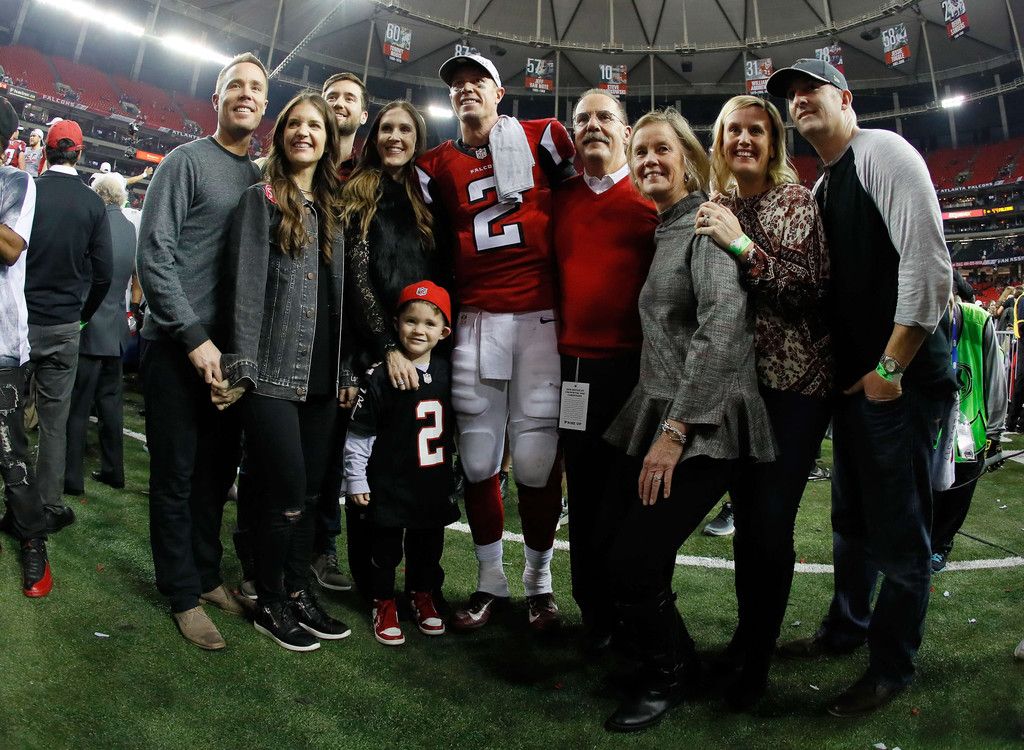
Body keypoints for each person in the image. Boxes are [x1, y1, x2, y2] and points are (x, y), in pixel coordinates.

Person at [767, 58, 955, 717]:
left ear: (846, 98)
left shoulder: (884, 153)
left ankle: (891, 666)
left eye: (811, 89)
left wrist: (891, 369)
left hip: (898, 383)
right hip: (859, 386)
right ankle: (846, 627)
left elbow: (928, 264)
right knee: (852, 520)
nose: (799, 101)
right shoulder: (825, 183)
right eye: (791, 95)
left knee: (899, 532)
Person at [601, 108, 775, 733]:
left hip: (705, 425)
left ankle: (669, 675)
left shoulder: (703, 223)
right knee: (634, 554)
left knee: (634, 559)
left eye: (661, 150)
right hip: (669, 410)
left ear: (688, 160)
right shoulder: (667, 227)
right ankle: (675, 662)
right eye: (640, 151)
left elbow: (722, 329)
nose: (649, 160)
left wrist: (674, 433)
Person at [416, 53, 576, 631]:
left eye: (477, 81)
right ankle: (490, 582)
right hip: (478, 320)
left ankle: (539, 584)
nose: (466, 90)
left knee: (535, 462)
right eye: (456, 84)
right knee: (480, 458)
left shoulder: (544, 137)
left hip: (539, 319)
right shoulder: (433, 165)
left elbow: (581, 203)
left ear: (499, 91)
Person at [694, 94, 832, 709]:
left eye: (756, 130)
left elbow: (808, 289)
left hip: (793, 389)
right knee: (748, 522)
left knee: (770, 524)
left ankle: (756, 665)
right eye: (733, 131)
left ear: (773, 142)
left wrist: (741, 246)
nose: (744, 140)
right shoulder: (718, 204)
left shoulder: (794, 201)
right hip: (739, 390)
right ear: (720, 142)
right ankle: (744, 644)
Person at [137, 52, 268, 650]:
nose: (245, 94)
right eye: (234, 85)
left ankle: (208, 575)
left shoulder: (260, 179)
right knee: (175, 476)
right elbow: (154, 255)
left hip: (229, 360)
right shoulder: (184, 162)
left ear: (264, 106)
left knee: (216, 477)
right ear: (217, 99)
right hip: (176, 349)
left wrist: (234, 354)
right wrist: (193, 337)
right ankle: (182, 594)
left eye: (255, 88)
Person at [219, 91, 351, 652]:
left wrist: (346, 371)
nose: (304, 132)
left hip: (322, 375)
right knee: (287, 493)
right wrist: (242, 368)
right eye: (295, 123)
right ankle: (270, 601)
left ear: (328, 139)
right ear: (281, 134)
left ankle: (298, 592)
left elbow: (340, 301)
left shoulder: (334, 209)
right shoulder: (262, 197)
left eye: (315, 126)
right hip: (272, 372)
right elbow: (246, 288)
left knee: (314, 496)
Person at [553, 88, 658, 651]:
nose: (592, 125)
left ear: (625, 131)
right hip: (574, 371)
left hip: (634, 372)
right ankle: (594, 615)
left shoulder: (653, 198)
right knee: (586, 495)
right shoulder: (561, 198)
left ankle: (635, 614)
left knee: (631, 496)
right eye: (582, 118)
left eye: (604, 117)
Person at [339, 100, 446, 598]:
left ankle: (421, 586)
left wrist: (423, 344)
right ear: (374, 136)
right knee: (371, 464)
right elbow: (358, 279)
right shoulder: (359, 190)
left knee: (412, 462)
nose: (395, 137)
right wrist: (387, 348)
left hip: (418, 347)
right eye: (386, 128)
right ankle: (372, 585)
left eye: (405, 129)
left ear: (417, 138)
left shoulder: (426, 195)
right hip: (373, 350)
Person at [344, 281, 459, 645]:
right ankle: (383, 601)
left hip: (432, 482)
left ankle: (421, 596)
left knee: (428, 549)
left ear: (444, 332)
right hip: (390, 483)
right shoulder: (380, 375)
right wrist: (356, 479)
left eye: (429, 323)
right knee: (385, 550)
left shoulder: (449, 372)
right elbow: (359, 434)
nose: (418, 330)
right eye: (411, 321)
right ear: (396, 324)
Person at [298, 70, 372, 596]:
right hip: (300, 327)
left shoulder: (370, 174)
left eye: (350, 97)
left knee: (335, 449)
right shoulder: (300, 167)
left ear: (363, 113)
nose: (340, 103)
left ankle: (323, 548)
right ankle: (277, 549)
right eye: (332, 96)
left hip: (352, 335)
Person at [24, 118, 113, 533]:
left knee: (8, 413)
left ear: (46, 151)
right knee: (53, 423)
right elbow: (104, 275)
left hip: (20, 322)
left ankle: (15, 496)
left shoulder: (30, 189)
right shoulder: (93, 204)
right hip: (63, 325)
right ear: (79, 153)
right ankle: (47, 504)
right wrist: (82, 316)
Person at [0, 95, 49, 596]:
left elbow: (11, 247)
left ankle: (33, 538)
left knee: (9, 451)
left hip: (1, 342)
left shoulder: (17, 181)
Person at [64, 173, 137, 496]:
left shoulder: (94, 223)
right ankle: (114, 470)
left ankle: (71, 477)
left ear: (99, 195)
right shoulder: (130, 228)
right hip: (116, 330)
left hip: (90, 326)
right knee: (111, 407)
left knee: (78, 407)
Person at [930, 274, 1005, 572]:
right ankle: (920, 542)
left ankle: (941, 544)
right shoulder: (920, 317)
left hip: (969, 429)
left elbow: (995, 377)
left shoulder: (977, 320)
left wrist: (995, 431)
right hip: (927, 428)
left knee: (958, 493)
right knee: (922, 492)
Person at [322, 71, 369, 179]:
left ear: (363, 116)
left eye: (349, 99)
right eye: (331, 98)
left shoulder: (368, 179)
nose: (338, 104)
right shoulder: (295, 163)